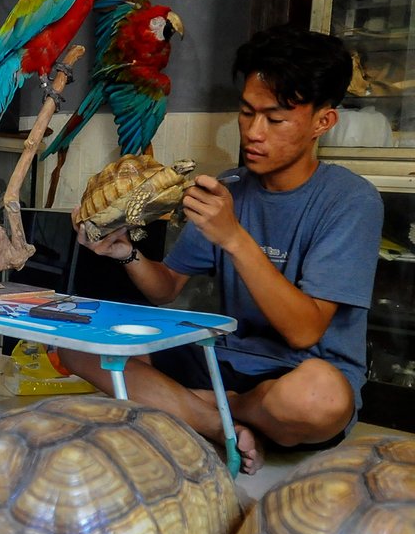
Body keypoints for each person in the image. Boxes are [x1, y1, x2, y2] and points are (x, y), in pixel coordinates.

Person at [58, 24, 384, 474]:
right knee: (78, 346)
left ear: (322, 122)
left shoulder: (351, 200)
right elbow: (167, 289)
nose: (253, 131)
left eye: (275, 119)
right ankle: (218, 421)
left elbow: (305, 331)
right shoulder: (230, 186)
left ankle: (205, 408)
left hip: (300, 373)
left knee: (318, 399)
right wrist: (126, 253)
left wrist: (233, 236)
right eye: (246, 112)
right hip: (223, 357)